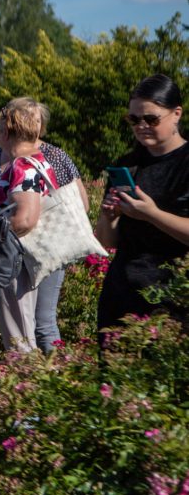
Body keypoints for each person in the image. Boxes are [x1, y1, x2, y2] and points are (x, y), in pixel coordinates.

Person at [0, 104, 88, 352]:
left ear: (5, 133)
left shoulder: (23, 165)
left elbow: (25, 219)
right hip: (28, 255)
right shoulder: (33, 161)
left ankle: (36, 384)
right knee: (30, 330)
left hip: (20, 257)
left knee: (25, 335)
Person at [97, 74, 189, 334]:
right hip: (120, 298)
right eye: (134, 119)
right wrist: (109, 217)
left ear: (176, 114)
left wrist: (151, 214)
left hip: (172, 301)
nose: (141, 126)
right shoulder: (127, 164)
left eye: (151, 118)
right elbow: (108, 241)